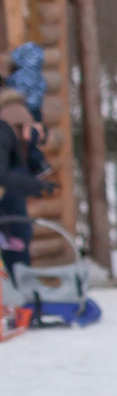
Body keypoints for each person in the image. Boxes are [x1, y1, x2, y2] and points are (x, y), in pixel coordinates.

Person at [0, 87, 52, 275]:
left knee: (15, 242)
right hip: (11, 189)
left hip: (11, 188)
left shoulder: (12, 111)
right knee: (17, 242)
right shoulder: (14, 112)